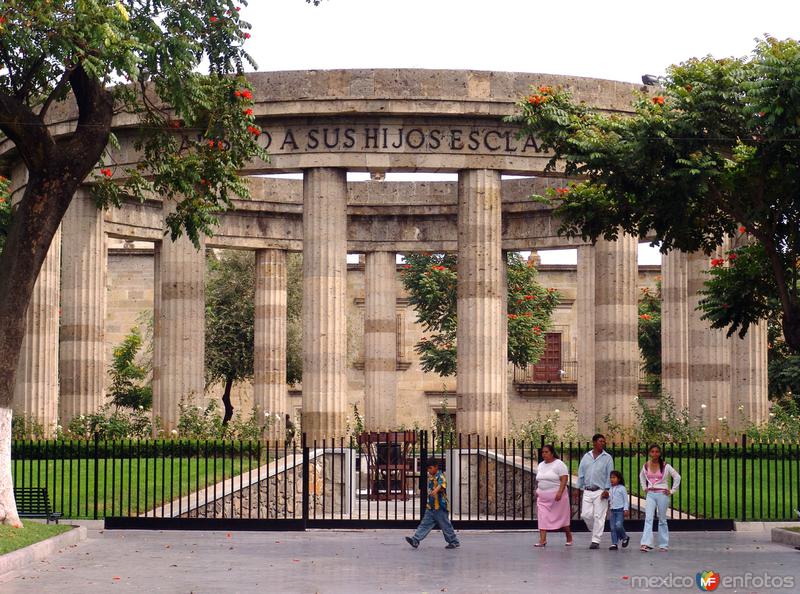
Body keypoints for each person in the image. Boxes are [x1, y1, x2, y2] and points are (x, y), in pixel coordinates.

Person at [405, 459, 460, 549]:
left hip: (440, 507)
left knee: (445, 525)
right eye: (428, 469)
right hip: (431, 506)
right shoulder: (431, 477)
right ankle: (415, 540)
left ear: (436, 467)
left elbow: (442, 484)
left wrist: (436, 490)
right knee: (424, 524)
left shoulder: (440, 476)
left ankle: (454, 541)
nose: (429, 470)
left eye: (431, 468)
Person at [639, 444, 681, 552]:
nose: (654, 454)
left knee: (662, 519)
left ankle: (663, 544)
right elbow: (641, 477)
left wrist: (671, 491)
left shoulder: (665, 466)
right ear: (649, 453)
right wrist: (644, 488)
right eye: (652, 451)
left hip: (662, 494)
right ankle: (646, 543)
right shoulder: (646, 466)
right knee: (648, 518)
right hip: (650, 495)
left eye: (657, 452)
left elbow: (677, 477)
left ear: (660, 453)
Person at [577, 433, 614, 549]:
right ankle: (596, 531)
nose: (602, 443)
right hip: (587, 490)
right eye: (600, 441)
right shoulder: (586, 457)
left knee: (599, 516)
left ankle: (595, 540)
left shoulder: (607, 458)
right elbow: (581, 472)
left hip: (600, 490)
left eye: (604, 441)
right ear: (594, 442)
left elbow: (610, 474)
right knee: (585, 515)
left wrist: (607, 490)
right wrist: (579, 487)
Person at [534, 444, 573, 547]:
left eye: (546, 452)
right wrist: (538, 490)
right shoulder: (541, 465)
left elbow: (564, 479)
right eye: (543, 452)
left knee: (562, 518)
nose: (544, 454)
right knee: (542, 517)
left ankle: (568, 536)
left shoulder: (559, 464)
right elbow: (539, 479)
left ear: (552, 453)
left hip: (557, 497)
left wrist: (560, 492)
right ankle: (542, 540)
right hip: (543, 497)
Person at [607, 470, 630, 550]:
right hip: (612, 511)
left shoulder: (622, 488)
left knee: (618, 525)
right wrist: (606, 496)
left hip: (620, 510)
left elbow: (625, 500)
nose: (611, 479)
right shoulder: (610, 489)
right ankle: (614, 543)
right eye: (610, 477)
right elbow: (610, 499)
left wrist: (626, 509)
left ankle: (625, 537)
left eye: (614, 477)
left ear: (619, 479)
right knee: (613, 527)